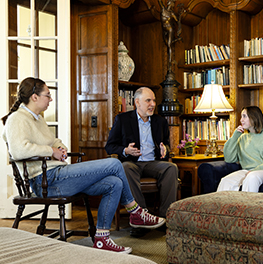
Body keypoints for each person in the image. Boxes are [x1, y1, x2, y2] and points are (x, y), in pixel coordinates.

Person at [2, 77, 165, 254]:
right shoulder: (17, 118)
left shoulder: (38, 119)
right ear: (34, 97)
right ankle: (135, 211)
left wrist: (60, 148)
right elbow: (18, 151)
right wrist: (51, 151)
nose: (50, 99)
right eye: (47, 95)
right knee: (114, 163)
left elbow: (54, 141)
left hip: (58, 175)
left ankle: (102, 239)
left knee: (114, 183)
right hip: (46, 181)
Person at [105, 87, 178, 221]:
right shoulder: (122, 119)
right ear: (137, 102)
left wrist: (165, 149)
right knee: (125, 168)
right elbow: (109, 147)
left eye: (154, 101)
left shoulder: (160, 122)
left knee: (171, 168)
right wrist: (126, 150)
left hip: (153, 163)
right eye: (148, 101)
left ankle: (166, 217)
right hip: (133, 163)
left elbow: (166, 144)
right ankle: (141, 215)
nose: (153, 104)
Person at [217, 106, 263, 192]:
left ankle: (247, 205)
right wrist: (235, 136)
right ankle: (225, 206)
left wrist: (255, 170)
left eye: (244, 116)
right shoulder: (242, 137)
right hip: (247, 171)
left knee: (252, 177)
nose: (241, 120)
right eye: (241, 117)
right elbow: (229, 158)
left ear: (253, 117)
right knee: (226, 181)